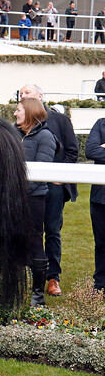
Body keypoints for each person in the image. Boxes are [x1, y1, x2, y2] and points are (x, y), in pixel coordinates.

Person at [19, 84, 79, 296]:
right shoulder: (19, 125)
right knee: (30, 231)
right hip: (28, 189)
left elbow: (73, 151)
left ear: (40, 96)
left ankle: (53, 277)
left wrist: (59, 177)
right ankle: (30, 274)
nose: (23, 95)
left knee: (52, 231)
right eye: (21, 93)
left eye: (27, 92)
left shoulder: (59, 120)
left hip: (53, 188)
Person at [14, 98, 56, 306]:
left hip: (33, 199)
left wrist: (18, 190)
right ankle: (15, 288)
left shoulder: (46, 136)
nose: (15, 113)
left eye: (19, 110)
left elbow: (41, 171)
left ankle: (37, 294)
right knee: (12, 242)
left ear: (30, 112)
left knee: (34, 243)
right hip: (12, 198)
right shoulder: (13, 133)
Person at [86, 117, 105, 291]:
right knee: (101, 243)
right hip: (100, 197)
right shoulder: (100, 123)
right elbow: (90, 151)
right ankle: (100, 285)